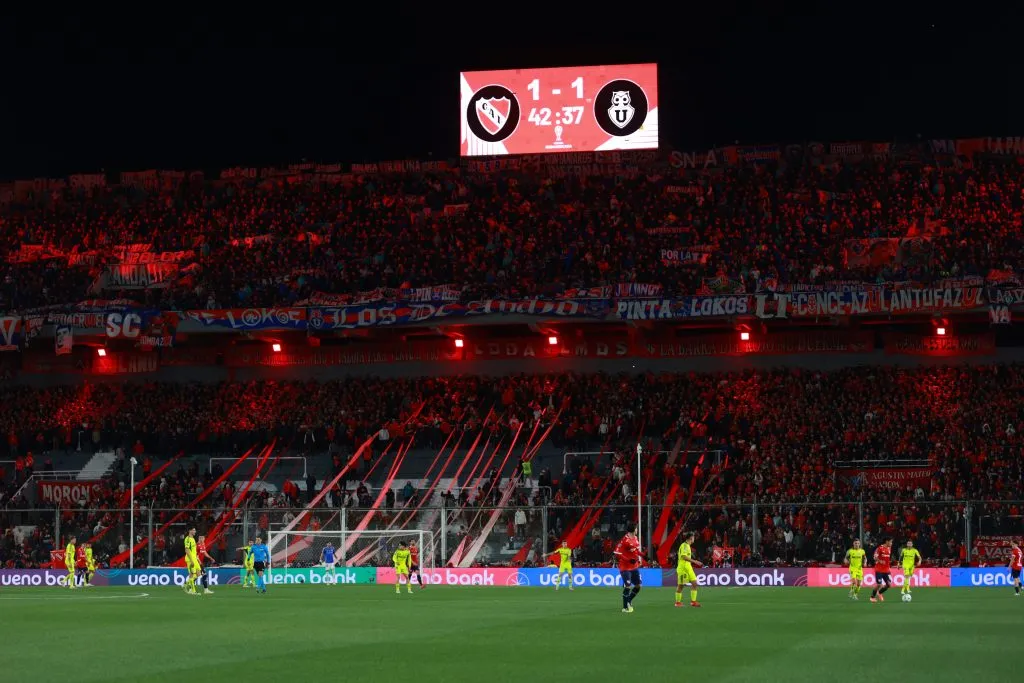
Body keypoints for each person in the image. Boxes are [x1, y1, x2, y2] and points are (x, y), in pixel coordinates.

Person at [613, 528, 642, 613]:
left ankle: (628, 600)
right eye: (636, 528)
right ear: (633, 529)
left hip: (634, 567)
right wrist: (628, 560)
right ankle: (625, 607)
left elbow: (636, 550)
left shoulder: (636, 538)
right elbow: (617, 553)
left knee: (638, 586)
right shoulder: (624, 540)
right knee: (628, 586)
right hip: (625, 567)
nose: (637, 529)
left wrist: (643, 555)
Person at [674, 532, 703, 608]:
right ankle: (677, 602)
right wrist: (695, 561)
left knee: (694, 583)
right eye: (693, 537)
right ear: (690, 538)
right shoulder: (684, 546)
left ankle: (693, 602)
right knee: (681, 586)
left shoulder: (688, 546)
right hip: (683, 568)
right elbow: (683, 556)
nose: (694, 538)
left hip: (688, 568)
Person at [870, 538, 893, 603]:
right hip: (879, 569)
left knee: (889, 585)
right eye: (891, 542)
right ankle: (872, 597)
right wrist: (880, 561)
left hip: (886, 570)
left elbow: (887, 559)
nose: (891, 543)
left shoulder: (889, 549)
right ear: (887, 541)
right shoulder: (879, 548)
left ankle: (879, 593)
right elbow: (874, 557)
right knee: (879, 585)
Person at [183, 527, 199, 596]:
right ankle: (193, 591)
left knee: (198, 574)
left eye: (195, 530)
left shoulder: (193, 539)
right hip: (190, 559)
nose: (195, 531)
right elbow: (186, 550)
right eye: (193, 530)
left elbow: (193, 550)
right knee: (192, 574)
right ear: (190, 531)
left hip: (194, 559)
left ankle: (185, 584)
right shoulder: (187, 539)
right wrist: (192, 560)